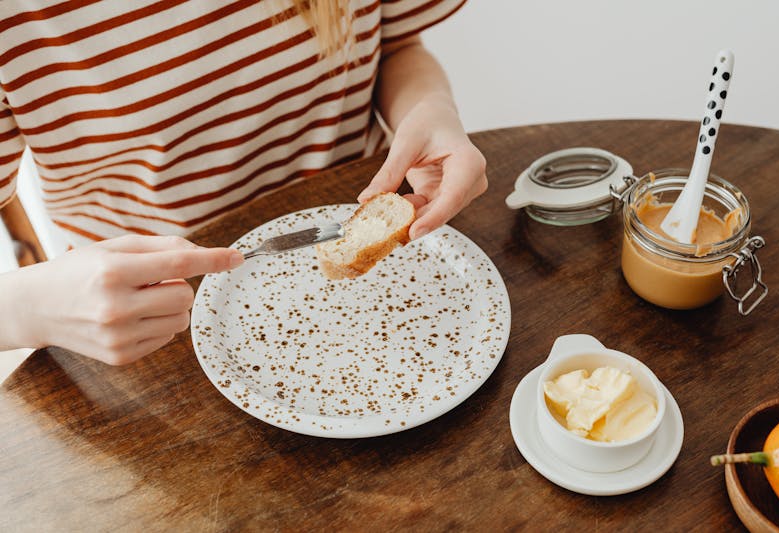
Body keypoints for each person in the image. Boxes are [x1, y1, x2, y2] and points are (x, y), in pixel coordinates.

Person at [0, 0, 487, 365]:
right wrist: (28, 308)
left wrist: (431, 110)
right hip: (144, 324)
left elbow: (396, 46)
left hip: (390, 282)